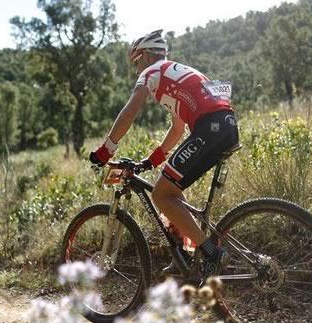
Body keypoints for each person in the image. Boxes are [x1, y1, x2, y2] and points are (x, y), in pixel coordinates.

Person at [89, 30, 240, 276]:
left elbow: (129, 112)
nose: (136, 68)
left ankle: (213, 253)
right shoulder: (175, 74)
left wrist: (106, 150)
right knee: (171, 190)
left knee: (160, 194)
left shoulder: (153, 72)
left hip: (210, 128)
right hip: (224, 126)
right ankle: (184, 255)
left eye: (136, 61)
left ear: (147, 56)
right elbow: (178, 127)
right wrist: (154, 159)